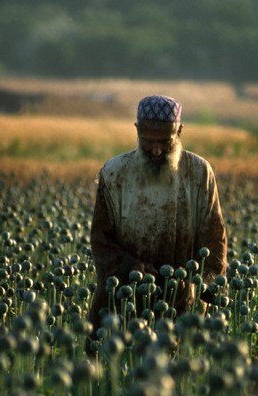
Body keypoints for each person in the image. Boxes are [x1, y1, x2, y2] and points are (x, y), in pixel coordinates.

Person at [87, 95, 227, 329]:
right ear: (136, 131)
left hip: (182, 305)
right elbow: (100, 240)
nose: (155, 150)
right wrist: (130, 266)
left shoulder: (199, 173)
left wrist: (199, 285)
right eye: (147, 141)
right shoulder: (114, 174)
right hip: (123, 302)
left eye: (164, 141)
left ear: (180, 131)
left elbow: (215, 242)